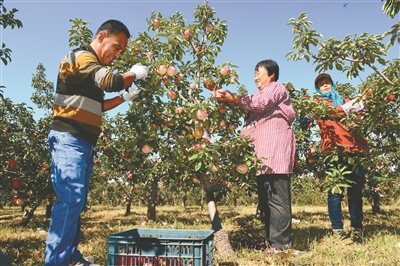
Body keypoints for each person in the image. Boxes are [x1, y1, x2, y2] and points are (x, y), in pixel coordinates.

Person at [44, 19, 149, 266]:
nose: (118, 54)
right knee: (71, 199)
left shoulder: (90, 70)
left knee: (76, 202)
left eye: (122, 51)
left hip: (83, 142)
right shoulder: (80, 57)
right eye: (117, 46)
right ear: (101, 36)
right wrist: (134, 73)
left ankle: (70, 257)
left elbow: (99, 106)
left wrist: (125, 97)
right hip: (69, 138)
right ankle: (55, 262)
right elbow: (111, 81)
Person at [206, 59, 296, 254]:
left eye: (259, 72)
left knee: (278, 200)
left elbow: (259, 103)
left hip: (275, 155)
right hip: (262, 158)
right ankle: (271, 242)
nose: (255, 76)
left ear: (271, 74)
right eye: (254, 73)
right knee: (266, 202)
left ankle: (281, 246)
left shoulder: (276, 88)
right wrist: (219, 92)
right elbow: (246, 105)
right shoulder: (257, 98)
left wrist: (233, 97)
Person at [314, 73, 368, 243]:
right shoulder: (318, 104)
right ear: (317, 88)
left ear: (332, 84)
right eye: (321, 84)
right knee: (335, 192)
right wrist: (349, 108)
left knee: (356, 192)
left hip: (355, 150)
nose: (325, 85)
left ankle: (357, 228)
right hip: (334, 153)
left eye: (327, 82)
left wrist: (365, 99)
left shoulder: (345, 100)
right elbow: (335, 112)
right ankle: (337, 230)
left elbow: (360, 114)